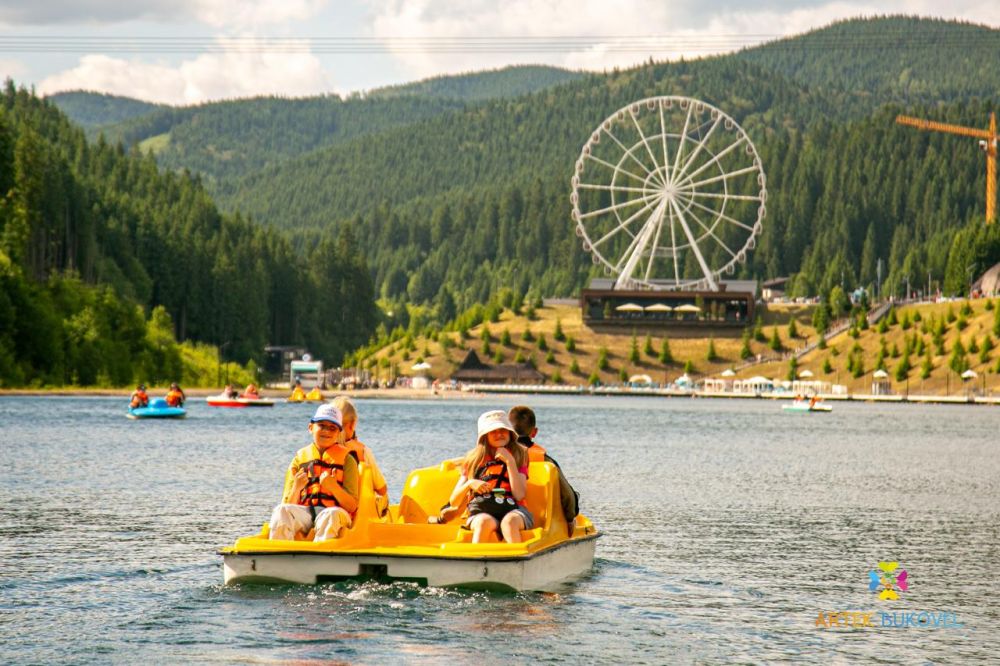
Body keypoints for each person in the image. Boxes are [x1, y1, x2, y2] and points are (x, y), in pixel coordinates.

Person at [268, 404, 360, 542]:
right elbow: (288, 504)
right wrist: (297, 488)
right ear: (311, 427)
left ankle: (320, 558)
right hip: (306, 514)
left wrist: (333, 487)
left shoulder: (348, 461)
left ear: (339, 433)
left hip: (337, 514)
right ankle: (279, 556)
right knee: (281, 511)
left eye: (332, 428)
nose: (326, 431)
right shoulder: (299, 460)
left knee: (330, 514)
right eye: (322, 425)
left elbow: (352, 506)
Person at [447, 410, 533, 544]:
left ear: (510, 432)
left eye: (503, 430)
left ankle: (516, 562)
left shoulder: (519, 456)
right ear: (485, 436)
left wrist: (510, 461)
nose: (499, 434)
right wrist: (470, 484)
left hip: (515, 509)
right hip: (483, 509)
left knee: (509, 523)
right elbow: (454, 501)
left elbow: (519, 494)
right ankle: (476, 562)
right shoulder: (473, 460)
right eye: (493, 431)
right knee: (482, 522)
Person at [508, 405, 580, 534]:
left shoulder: (496, 455)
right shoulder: (544, 461)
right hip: (539, 522)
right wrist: (570, 517)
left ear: (507, 430)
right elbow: (567, 494)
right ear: (534, 432)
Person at [331, 396, 390, 514]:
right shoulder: (363, 451)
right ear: (353, 424)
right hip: (359, 515)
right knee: (384, 498)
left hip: (327, 507)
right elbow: (382, 489)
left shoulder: (322, 449)